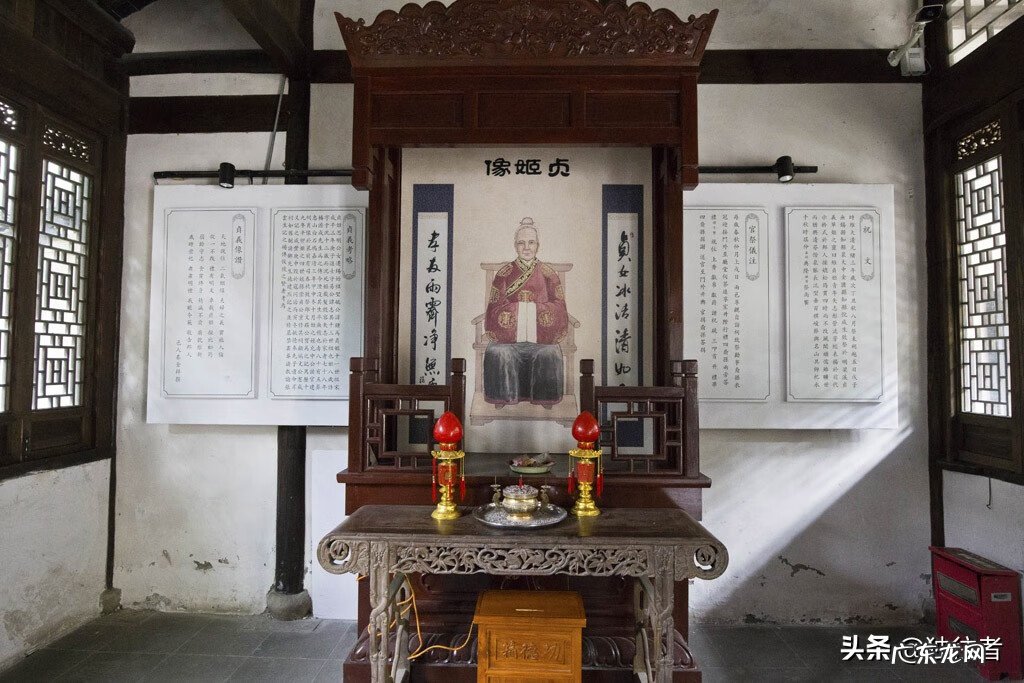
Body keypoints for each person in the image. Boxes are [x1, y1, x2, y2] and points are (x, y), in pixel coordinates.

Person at [483, 218, 568, 406]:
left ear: (538, 245)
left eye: (531, 242)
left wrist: (533, 310)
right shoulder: (504, 274)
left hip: (542, 338)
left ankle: (545, 399)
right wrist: (520, 311)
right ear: (515, 246)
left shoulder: (548, 274)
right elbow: (494, 309)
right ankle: (503, 397)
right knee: (498, 353)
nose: (526, 247)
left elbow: (560, 308)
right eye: (521, 243)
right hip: (509, 339)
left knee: (549, 354)